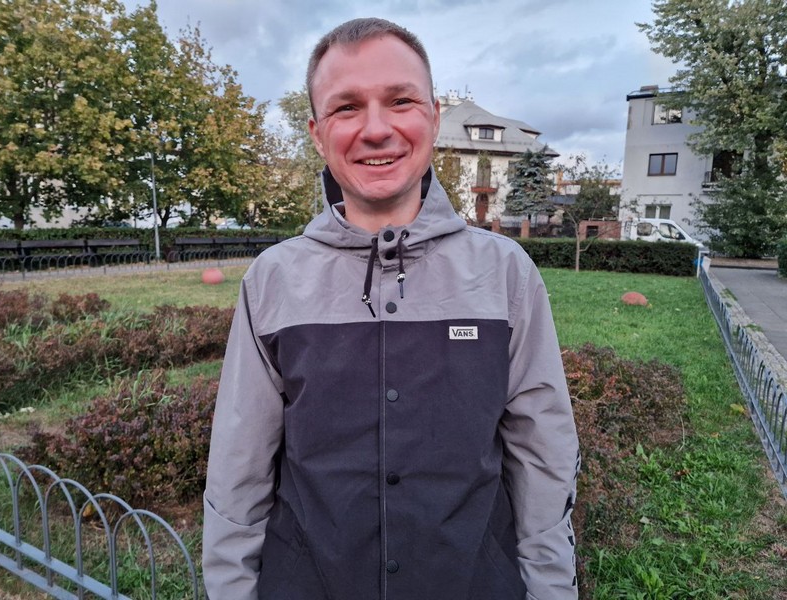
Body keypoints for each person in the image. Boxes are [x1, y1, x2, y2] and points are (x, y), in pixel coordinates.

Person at [203, 17, 580, 600]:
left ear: (433, 116)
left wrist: (552, 588)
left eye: (400, 101)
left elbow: (543, 453)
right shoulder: (273, 281)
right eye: (346, 107)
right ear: (317, 133)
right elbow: (239, 464)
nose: (376, 130)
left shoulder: (505, 273)